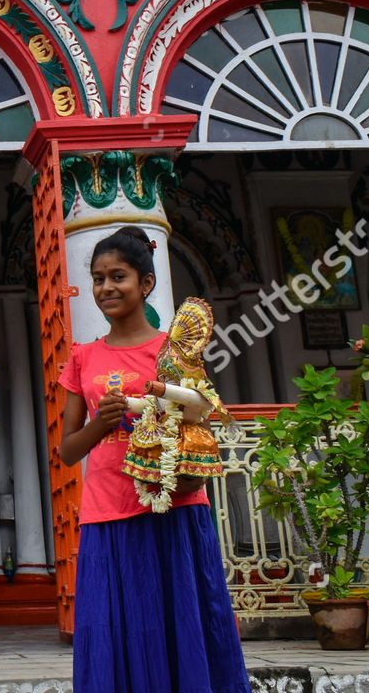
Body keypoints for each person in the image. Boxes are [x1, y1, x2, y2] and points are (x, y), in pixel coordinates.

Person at [57, 227, 247, 693]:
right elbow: (66, 451)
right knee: (119, 628)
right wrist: (102, 424)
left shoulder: (173, 351)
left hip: (174, 506)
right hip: (108, 509)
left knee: (180, 622)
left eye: (117, 276)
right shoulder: (82, 358)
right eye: (98, 278)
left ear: (145, 283)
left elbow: (199, 419)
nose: (106, 288)